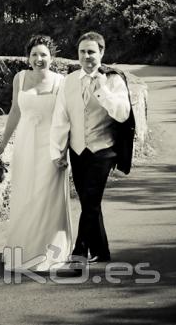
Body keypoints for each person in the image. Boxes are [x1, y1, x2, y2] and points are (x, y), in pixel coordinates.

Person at [50, 31, 132, 264]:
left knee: (92, 200)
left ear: (102, 53)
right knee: (89, 202)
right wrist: (59, 150)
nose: (86, 56)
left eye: (91, 52)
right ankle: (102, 251)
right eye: (82, 52)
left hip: (103, 149)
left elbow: (123, 113)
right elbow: (61, 117)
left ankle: (79, 252)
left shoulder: (114, 79)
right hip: (77, 151)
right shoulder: (69, 81)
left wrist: (102, 90)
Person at [0, 34, 72, 272]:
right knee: (25, 194)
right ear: (28, 57)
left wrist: (64, 150)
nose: (39, 59)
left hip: (52, 147)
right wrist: (1, 144)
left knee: (48, 196)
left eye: (44, 54)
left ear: (52, 57)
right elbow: (14, 112)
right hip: (25, 145)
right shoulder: (19, 78)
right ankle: (24, 247)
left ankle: (49, 251)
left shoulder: (61, 82)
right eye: (34, 54)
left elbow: (67, 119)